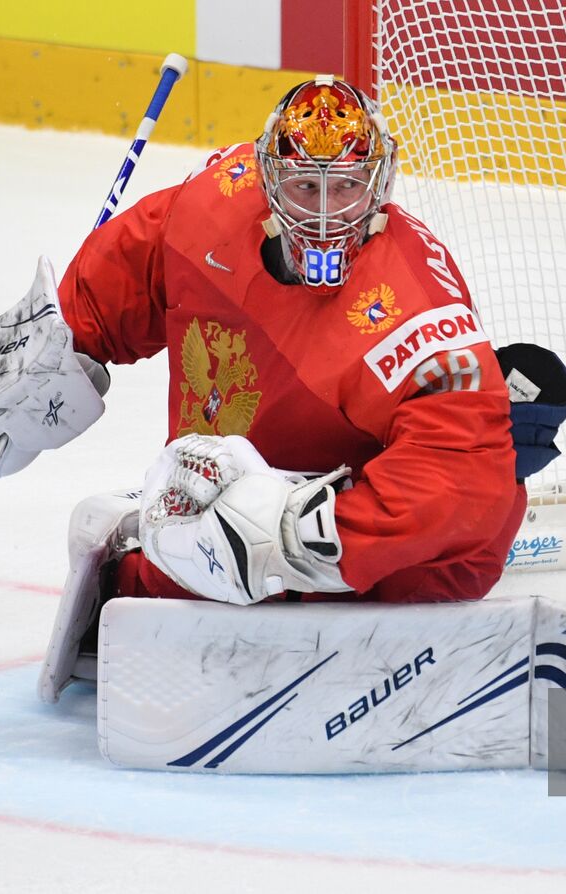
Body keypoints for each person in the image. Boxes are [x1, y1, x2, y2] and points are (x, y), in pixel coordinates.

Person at [56, 75, 531, 605]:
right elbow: (135, 261)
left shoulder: (415, 306)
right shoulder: (214, 202)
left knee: (153, 589)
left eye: (347, 186)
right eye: (306, 186)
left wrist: (301, 537)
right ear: (267, 179)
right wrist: (60, 339)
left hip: (369, 533)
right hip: (226, 489)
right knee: (137, 584)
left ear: (380, 184)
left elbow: (462, 471)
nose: (326, 214)